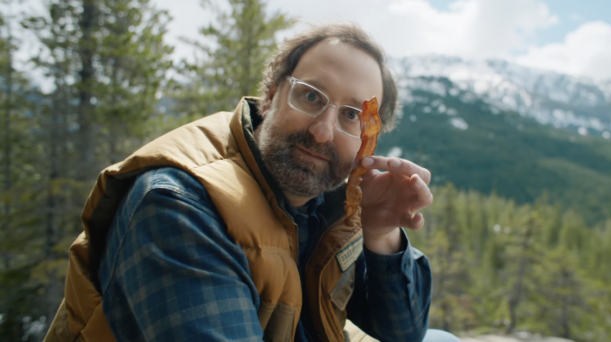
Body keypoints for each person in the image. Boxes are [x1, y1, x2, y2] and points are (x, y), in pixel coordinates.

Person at [44, 24, 460, 342]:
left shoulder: (331, 200)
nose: (323, 131)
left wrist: (380, 232)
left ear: (369, 138)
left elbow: (403, 333)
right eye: (311, 96)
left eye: (353, 115)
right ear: (271, 95)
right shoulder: (178, 204)